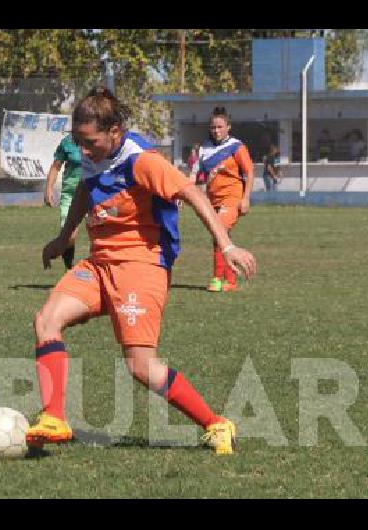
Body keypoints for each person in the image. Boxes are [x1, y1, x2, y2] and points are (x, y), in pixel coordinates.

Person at [25, 87, 257, 455]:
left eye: (90, 141)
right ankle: (55, 417)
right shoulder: (92, 153)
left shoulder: (142, 161)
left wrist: (227, 245)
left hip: (141, 267)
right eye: (77, 141)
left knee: (140, 366)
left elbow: (193, 195)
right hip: (99, 264)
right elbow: (86, 189)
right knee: (46, 321)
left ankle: (216, 423)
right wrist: (64, 237)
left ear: (115, 131)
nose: (83, 150)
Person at [193, 106, 255, 292]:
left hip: (232, 197)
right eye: (213, 127)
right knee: (220, 237)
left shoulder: (236, 146)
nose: (216, 131)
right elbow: (198, 175)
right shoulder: (204, 148)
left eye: (220, 127)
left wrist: (246, 199)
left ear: (228, 127)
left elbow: (250, 172)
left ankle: (216, 278)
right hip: (213, 199)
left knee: (218, 231)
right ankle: (231, 281)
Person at [44, 134, 82, 269]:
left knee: (100, 234)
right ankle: (70, 269)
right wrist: (48, 189)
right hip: (70, 195)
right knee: (69, 235)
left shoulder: (96, 139)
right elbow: (56, 167)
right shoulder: (67, 142)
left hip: (93, 192)